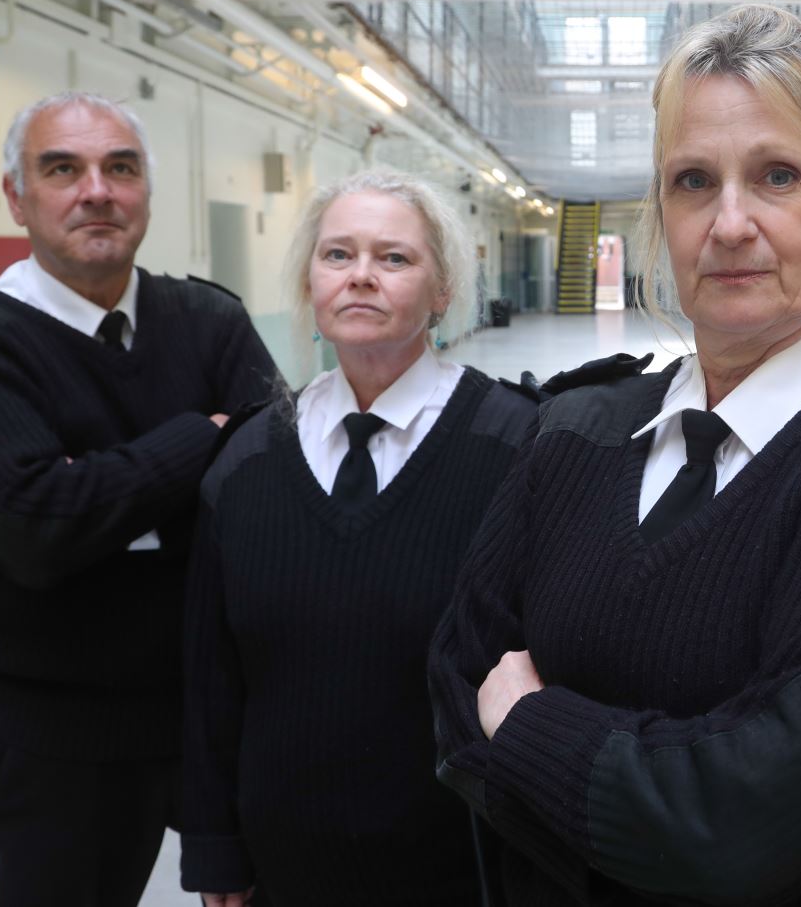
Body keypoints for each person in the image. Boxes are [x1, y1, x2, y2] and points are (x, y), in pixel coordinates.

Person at [429, 4, 801, 904]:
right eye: (694, 180)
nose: (731, 222)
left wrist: (535, 729)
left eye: (778, 175)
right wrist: (642, 798)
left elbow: (747, 823)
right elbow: (457, 678)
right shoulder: (578, 426)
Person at [0, 91, 279, 907]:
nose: (96, 190)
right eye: (62, 168)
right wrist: (199, 436)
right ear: (17, 195)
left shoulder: (208, 318)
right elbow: (37, 526)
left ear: (146, 188)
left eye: (121, 167)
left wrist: (98, 486)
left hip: (219, 701)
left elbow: (270, 495)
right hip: (66, 732)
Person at [180, 170, 536, 906]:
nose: (362, 276)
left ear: (442, 290)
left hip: (456, 862)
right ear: (310, 286)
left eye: (394, 258)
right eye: (337, 255)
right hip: (286, 858)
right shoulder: (245, 460)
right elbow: (213, 677)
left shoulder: (513, 446)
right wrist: (214, 848)